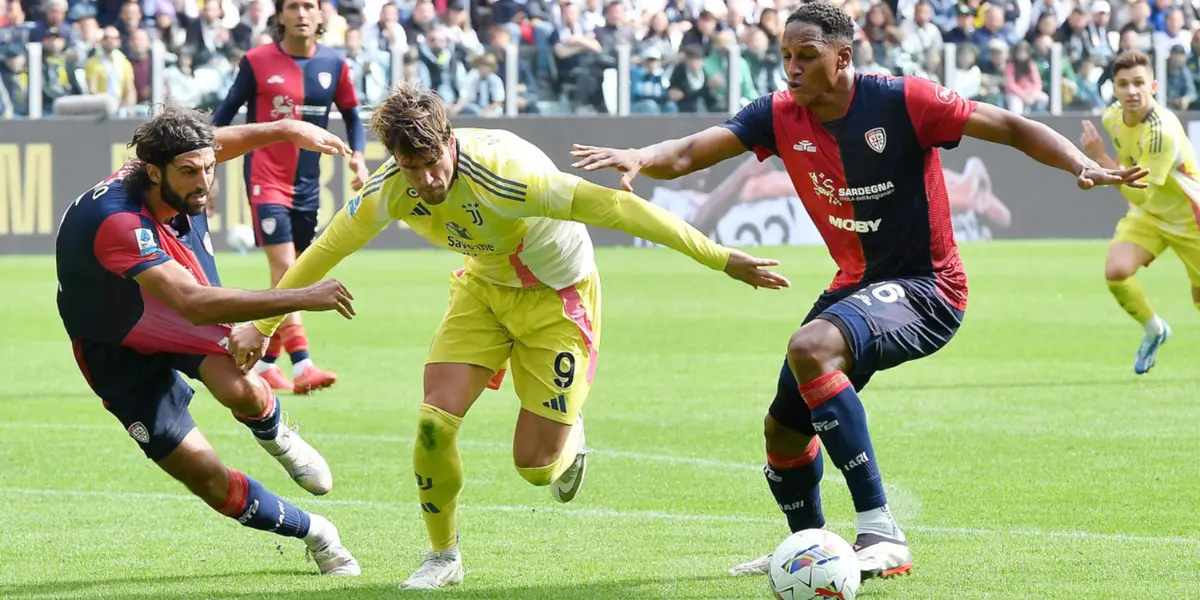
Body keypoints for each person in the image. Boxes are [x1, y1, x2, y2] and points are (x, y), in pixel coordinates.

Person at [569, 2, 1146, 583]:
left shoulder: (903, 100)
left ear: (843, 57)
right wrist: (642, 156)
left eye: (806, 55)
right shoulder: (777, 113)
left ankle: (881, 531)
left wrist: (1079, 163)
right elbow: (689, 154)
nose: (791, 68)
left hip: (929, 287)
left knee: (811, 346)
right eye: (786, 56)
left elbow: (1012, 127)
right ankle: (808, 549)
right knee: (782, 432)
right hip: (856, 285)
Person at [227, 81, 791, 590]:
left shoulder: (510, 176)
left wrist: (720, 258)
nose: (426, 180)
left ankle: (571, 434)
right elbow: (325, 249)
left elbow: (619, 209)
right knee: (433, 423)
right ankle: (443, 556)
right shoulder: (391, 188)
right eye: (410, 167)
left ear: (449, 142)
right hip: (484, 290)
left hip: (558, 299)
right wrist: (262, 323)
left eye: (432, 162)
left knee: (535, 467)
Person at [55, 106, 362, 576]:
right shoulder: (118, 221)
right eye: (189, 172)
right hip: (114, 341)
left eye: (208, 169)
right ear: (153, 172)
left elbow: (217, 144)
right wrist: (301, 296)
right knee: (206, 478)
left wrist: (284, 128)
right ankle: (318, 533)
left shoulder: (172, 172)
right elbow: (195, 304)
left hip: (171, 291)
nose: (204, 183)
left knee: (243, 388)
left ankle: (276, 435)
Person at [212, 0, 370, 395]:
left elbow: (352, 114)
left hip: (308, 185)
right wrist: (207, 171)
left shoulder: (334, 64)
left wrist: (359, 158)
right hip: (266, 179)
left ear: (320, 15)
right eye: (293, 6)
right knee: (285, 267)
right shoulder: (256, 61)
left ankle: (268, 363)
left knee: (294, 273)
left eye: (309, 6)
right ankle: (303, 364)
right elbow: (223, 115)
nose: (301, 13)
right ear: (280, 15)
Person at [1080, 49, 1200, 374]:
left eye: (1138, 83)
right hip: (1150, 215)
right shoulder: (1112, 118)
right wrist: (1109, 164)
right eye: (1123, 84)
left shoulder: (1161, 132)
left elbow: (1140, 192)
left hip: (1191, 218)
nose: (1132, 91)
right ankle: (1155, 331)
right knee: (1116, 272)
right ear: (1114, 89)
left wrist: (1101, 160)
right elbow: (1134, 179)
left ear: (1153, 86)